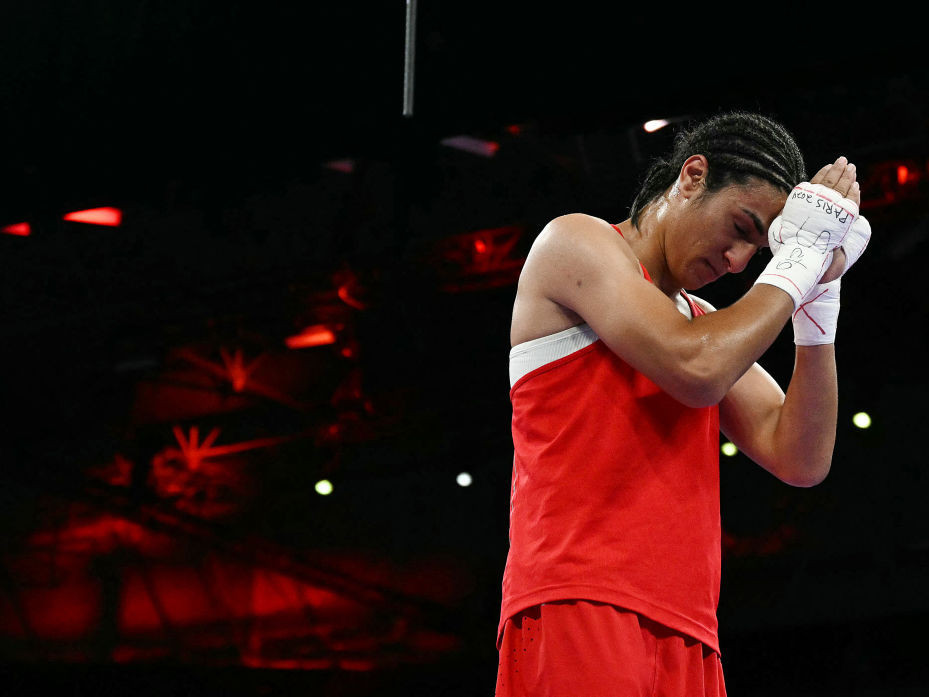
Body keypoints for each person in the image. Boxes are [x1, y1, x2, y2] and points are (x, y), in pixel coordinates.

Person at [495, 111, 871, 696]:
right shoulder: (578, 243)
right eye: (742, 227)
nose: (741, 262)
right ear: (692, 176)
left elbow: (801, 457)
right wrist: (796, 265)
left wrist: (818, 304)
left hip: (690, 633)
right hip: (581, 603)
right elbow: (695, 368)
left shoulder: (702, 323)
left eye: (764, 249)